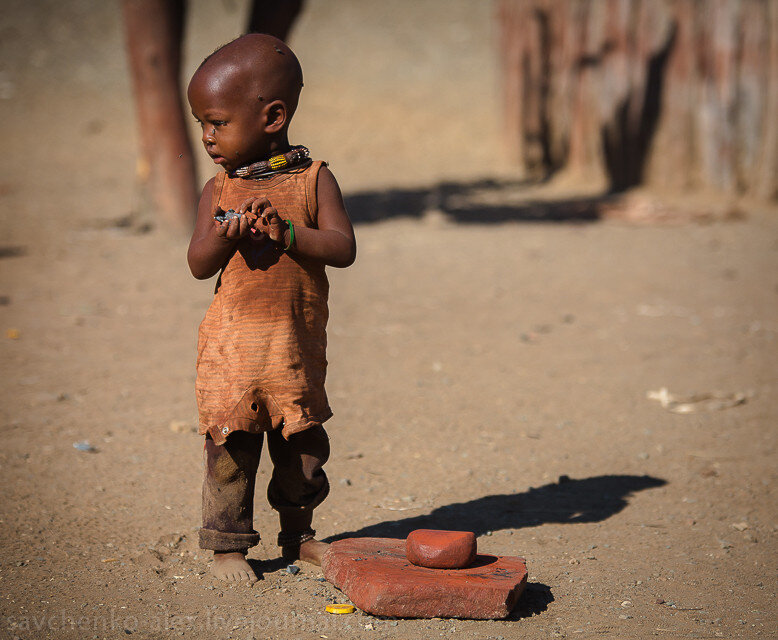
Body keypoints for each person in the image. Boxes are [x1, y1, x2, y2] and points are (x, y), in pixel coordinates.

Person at [186, 33, 356, 584]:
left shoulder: (313, 178)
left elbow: (343, 247)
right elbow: (197, 263)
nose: (208, 137)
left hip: (293, 349)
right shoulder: (220, 189)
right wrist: (226, 236)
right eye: (202, 126)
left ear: (273, 116)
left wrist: (287, 234)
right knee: (231, 450)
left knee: (303, 450)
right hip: (233, 351)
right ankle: (228, 548)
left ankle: (298, 535)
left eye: (217, 122)